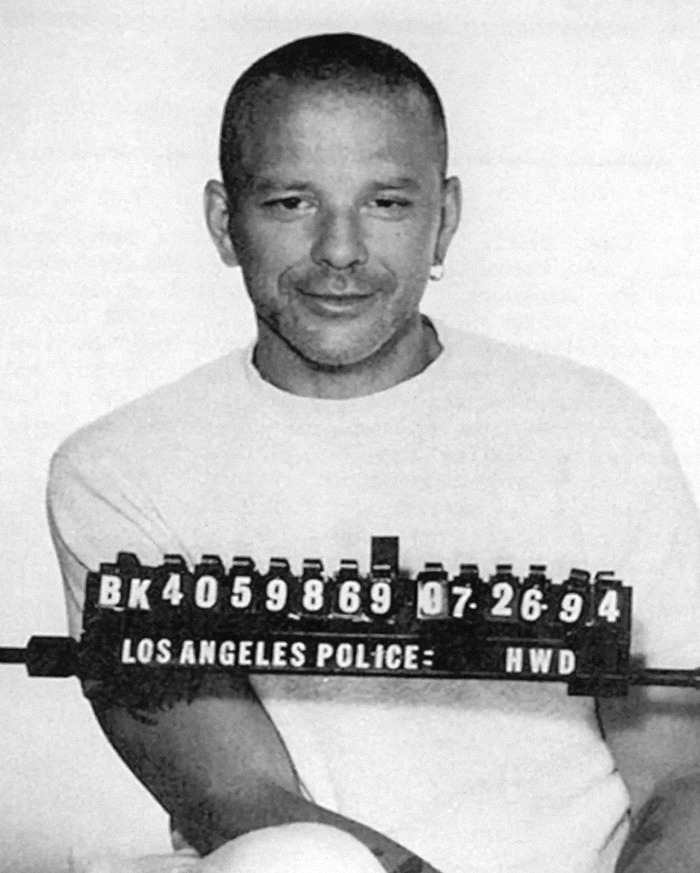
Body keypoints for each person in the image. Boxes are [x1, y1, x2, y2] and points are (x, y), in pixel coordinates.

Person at [48, 33, 699, 873]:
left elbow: (681, 776)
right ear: (223, 221)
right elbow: (238, 796)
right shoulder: (115, 470)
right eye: (290, 202)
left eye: (387, 203)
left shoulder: (597, 429)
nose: (341, 250)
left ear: (445, 218)